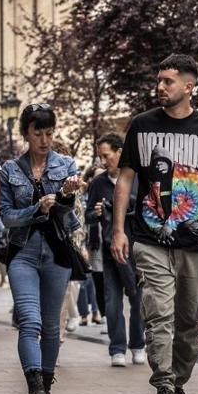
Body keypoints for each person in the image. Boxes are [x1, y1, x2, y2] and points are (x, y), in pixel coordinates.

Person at [111, 55, 198, 394]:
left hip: (195, 240)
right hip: (149, 237)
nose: (160, 87)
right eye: (159, 80)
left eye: (168, 81)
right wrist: (119, 230)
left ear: (189, 86)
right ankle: (164, 383)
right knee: (159, 311)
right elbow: (125, 180)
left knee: (189, 320)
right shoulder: (142, 125)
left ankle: (179, 382)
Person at [0, 104, 84, 394]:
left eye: (49, 133)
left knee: (50, 326)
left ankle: (46, 388)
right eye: (38, 133)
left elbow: (69, 212)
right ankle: (34, 385)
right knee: (29, 321)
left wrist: (66, 197)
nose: (44, 140)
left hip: (57, 253)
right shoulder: (10, 170)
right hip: (23, 253)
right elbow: (6, 217)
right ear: (26, 134)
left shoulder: (66, 165)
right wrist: (38, 209)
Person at [87, 132, 146, 367]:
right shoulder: (98, 183)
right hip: (110, 249)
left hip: (136, 249)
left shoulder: (138, 178)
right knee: (112, 301)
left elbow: (147, 209)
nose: (103, 161)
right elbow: (88, 214)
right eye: (101, 157)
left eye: (106, 156)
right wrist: (98, 212)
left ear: (119, 152)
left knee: (138, 298)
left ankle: (138, 345)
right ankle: (117, 348)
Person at [76, 165, 104, 327]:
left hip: (96, 243)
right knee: (83, 279)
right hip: (82, 240)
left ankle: (96, 311)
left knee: (94, 278)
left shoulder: (104, 193)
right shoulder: (83, 195)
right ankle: (83, 314)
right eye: (97, 176)